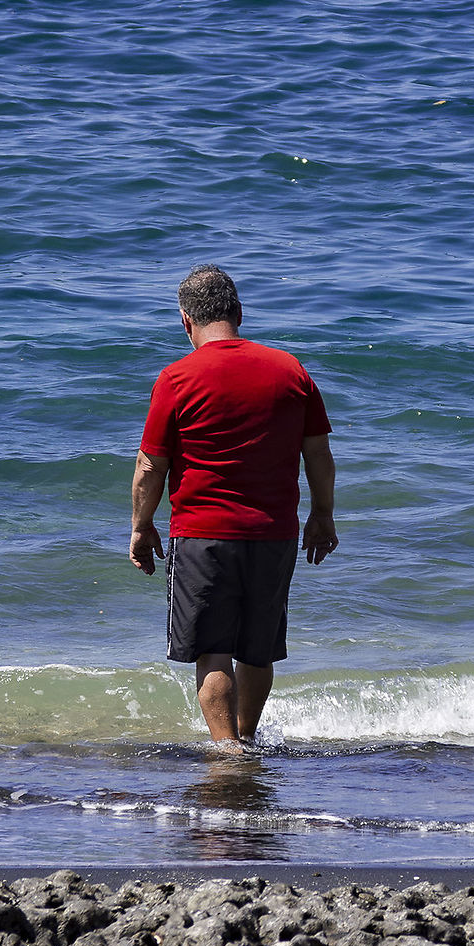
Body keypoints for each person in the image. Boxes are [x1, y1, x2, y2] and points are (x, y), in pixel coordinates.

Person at [128, 264, 338, 747]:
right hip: (274, 531)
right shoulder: (289, 370)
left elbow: (149, 466)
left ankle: (227, 753)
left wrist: (142, 526)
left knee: (213, 652)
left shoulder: (177, 378)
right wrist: (323, 515)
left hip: (203, 534)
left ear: (185, 321)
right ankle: (246, 740)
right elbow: (319, 455)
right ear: (239, 313)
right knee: (258, 652)